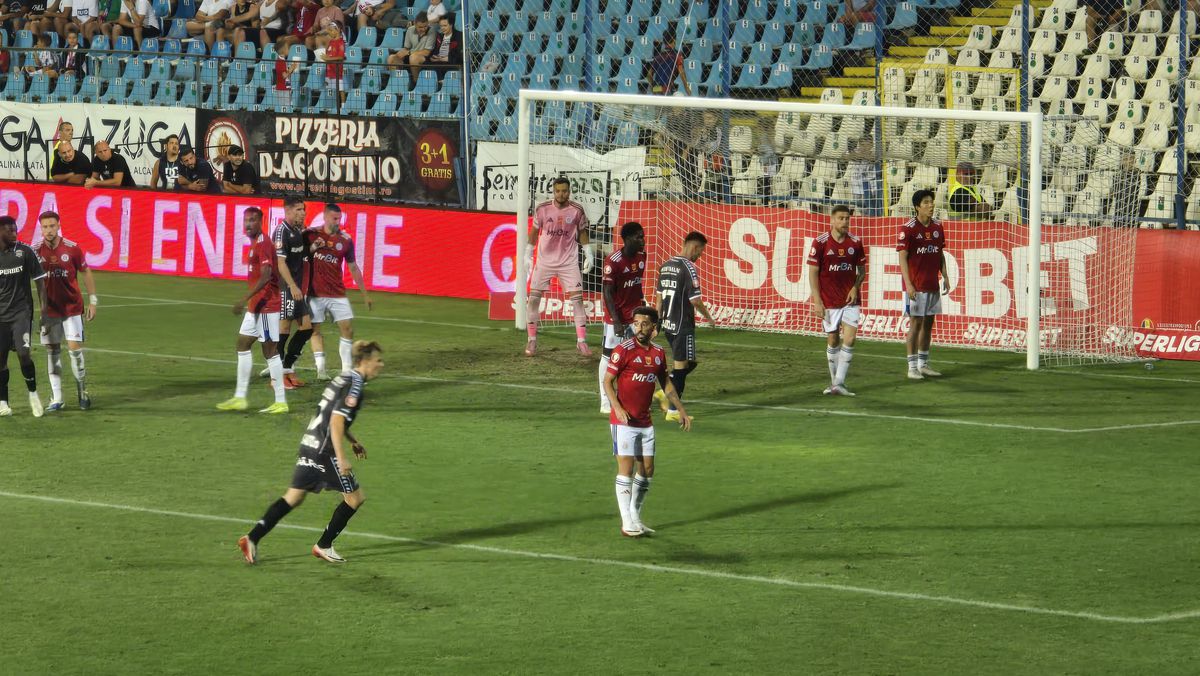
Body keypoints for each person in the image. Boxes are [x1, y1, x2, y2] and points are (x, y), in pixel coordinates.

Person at [237, 340, 384, 565]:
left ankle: (252, 538)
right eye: (378, 360)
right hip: (325, 451)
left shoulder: (343, 378)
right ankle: (324, 545)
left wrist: (353, 440)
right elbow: (336, 421)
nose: (381, 365)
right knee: (355, 498)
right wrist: (341, 458)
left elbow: (328, 413)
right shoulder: (355, 386)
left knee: (293, 497)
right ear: (364, 361)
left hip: (310, 443)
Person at [603, 306, 690, 538]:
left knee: (648, 469)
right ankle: (626, 522)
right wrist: (617, 408)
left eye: (644, 324)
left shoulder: (658, 353)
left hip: (645, 421)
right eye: (636, 323)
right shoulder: (623, 350)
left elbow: (666, 384)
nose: (639, 328)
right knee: (626, 468)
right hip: (623, 421)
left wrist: (680, 409)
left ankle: (635, 516)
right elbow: (607, 381)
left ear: (653, 327)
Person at [216, 207, 290, 414]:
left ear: (261, 222)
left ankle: (281, 402)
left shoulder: (264, 244)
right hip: (256, 307)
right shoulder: (256, 243)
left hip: (266, 307)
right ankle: (240, 398)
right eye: (246, 220)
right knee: (242, 344)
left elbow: (266, 275)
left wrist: (244, 299)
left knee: (270, 351)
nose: (248, 224)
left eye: (253, 220)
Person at [34, 211, 96, 411]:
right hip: (49, 311)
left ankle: (82, 392)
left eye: (52, 226)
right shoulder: (35, 251)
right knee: (52, 352)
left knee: (74, 351)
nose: (49, 230)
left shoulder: (72, 248)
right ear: (41, 228)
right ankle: (57, 398)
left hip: (72, 308)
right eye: (45, 227)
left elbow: (85, 271)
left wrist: (93, 301)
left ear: (59, 226)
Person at [524, 176, 592, 357]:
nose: (561, 194)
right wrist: (527, 254)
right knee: (533, 300)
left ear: (569, 191)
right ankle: (532, 339)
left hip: (568, 262)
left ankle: (581, 341)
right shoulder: (542, 209)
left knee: (577, 300)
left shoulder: (577, 210)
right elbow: (534, 232)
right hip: (545, 261)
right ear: (553, 191)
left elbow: (582, 232)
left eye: (564, 191)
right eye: (558, 191)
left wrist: (589, 254)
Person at [305, 203, 371, 380]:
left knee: (347, 329)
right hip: (315, 293)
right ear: (325, 216)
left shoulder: (346, 240)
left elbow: (353, 267)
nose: (337, 222)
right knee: (315, 330)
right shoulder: (311, 235)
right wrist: (312, 249)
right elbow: (299, 256)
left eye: (339, 219)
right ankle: (321, 370)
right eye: (334, 218)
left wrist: (365, 294)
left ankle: (346, 370)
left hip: (337, 292)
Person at [807, 205, 866, 396]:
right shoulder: (820, 243)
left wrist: (855, 287)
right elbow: (813, 273)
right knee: (833, 340)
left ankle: (839, 383)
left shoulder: (856, 242)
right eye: (841, 218)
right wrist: (817, 301)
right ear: (832, 220)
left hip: (850, 299)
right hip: (829, 299)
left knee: (850, 339)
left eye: (847, 218)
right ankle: (834, 383)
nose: (845, 222)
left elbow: (862, 271)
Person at [654, 231, 713, 421]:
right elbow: (695, 300)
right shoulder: (689, 268)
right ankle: (672, 410)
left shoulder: (665, 266)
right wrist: (709, 317)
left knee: (689, 362)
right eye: (700, 251)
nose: (700, 256)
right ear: (695, 247)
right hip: (683, 325)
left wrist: (658, 324)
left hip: (669, 325)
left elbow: (658, 300)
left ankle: (665, 391)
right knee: (681, 368)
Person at [898, 189, 950, 380]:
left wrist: (945, 276)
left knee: (928, 324)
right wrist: (908, 284)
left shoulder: (937, 227)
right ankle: (912, 367)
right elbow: (902, 258)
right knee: (915, 324)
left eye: (931, 202)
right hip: (916, 286)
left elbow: (939, 254)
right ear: (917, 207)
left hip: (932, 284)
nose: (931, 205)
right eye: (926, 202)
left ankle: (923, 364)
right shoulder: (908, 228)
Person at [0, 216, 48, 418]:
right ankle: (3, 402)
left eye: (15, 229)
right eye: (10, 230)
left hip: (21, 313)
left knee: (23, 353)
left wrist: (44, 312)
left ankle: (33, 393)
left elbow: (40, 282)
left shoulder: (25, 251)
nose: (14, 233)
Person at [598, 221, 646, 414]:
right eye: (639, 237)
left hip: (635, 316)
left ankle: (629, 397)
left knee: (635, 356)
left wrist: (643, 308)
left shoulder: (642, 256)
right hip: (615, 318)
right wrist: (616, 321)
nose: (643, 241)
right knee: (608, 356)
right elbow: (607, 292)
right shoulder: (613, 261)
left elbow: (637, 285)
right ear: (627, 239)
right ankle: (605, 399)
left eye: (643, 237)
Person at [271, 195, 313, 388]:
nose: (302, 213)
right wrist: (292, 286)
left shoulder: (297, 230)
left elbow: (299, 255)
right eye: (298, 210)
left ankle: (287, 368)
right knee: (283, 330)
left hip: (295, 288)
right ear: (287, 210)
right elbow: (280, 263)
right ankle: (276, 376)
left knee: (307, 328)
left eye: (303, 209)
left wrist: (313, 247)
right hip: (285, 287)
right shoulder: (281, 232)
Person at [385, 10, 433, 78]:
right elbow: (406, 48)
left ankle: (416, 82)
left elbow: (427, 52)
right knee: (391, 58)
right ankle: (398, 81)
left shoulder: (432, 31)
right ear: (415, 24)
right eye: (420, 27)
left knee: (413, 58)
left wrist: (409, 53)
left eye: (425, 26)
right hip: (411, 54)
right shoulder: (410, 30)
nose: (423, 29)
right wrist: (398, 55)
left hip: (425, 58)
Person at [646, 32, 690, 96]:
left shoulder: (658, 56)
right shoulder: (677, 55)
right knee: (678, 96)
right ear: (674, 41)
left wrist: (653, 88)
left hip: (657, 88)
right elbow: (681, 73)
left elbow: (649, 74)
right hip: (667, 88)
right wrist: (687, 88)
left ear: (664, 42)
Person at [847, 136, 882, 216]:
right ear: (859, 145)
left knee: (871, 212)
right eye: (862, 145)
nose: (865, 147)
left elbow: (873, 158)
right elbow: (845, 157)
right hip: (856, 188)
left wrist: (858, 156)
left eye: (867, 145)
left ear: (872, 145)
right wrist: (857, 155)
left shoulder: (875, 153)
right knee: (862, 212)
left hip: (871, 188)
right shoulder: (855, 151)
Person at [319, 20, 346, 104]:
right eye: (329, 30)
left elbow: (341, 57)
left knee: (340, 89)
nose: (329, 32)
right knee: (330, 89)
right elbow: (329, 54)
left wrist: (327, 59)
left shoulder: (341, 42)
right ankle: (332, 105)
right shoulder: (331, 41)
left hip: (337, 71)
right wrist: (323, 56)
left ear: (338, 30)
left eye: (331, 30)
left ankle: (343, 106)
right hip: (329, 70)